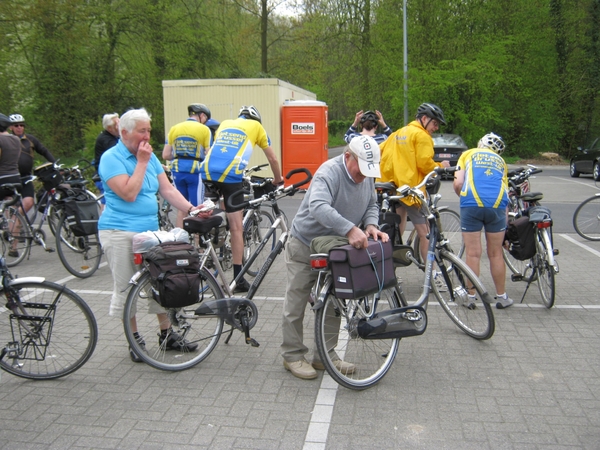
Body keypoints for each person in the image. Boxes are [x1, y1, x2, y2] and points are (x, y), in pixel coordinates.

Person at [98, 108, 207, 362]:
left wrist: (192, 209)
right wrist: (142, 162)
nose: (147, 136)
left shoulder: (149, 157)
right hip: (120, 230)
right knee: (127, 286)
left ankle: (167, 334)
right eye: (142, 131)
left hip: (149, 231)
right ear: (124, 133)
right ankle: (133, 339)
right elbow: (128, 193)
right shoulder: (111, 158)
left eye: (149, 130)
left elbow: (167, 189)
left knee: (162, 280)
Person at [281, 135, 389, 380]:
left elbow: (372, 203)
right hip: (305, 244)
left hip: (337, 247)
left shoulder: (367, 174)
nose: (363, 176)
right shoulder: (328, 172)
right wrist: (351, 229)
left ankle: (325, 355)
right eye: (360, 170)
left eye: (367, 172)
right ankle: (292, 355)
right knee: (296, 301)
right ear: (347, 156)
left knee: (335, 300)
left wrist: (371, 224)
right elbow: (318, 205)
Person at [200, 105, 283, 293]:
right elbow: (273, 158)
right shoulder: (257, 127)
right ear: (256, 119)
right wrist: (278, 179)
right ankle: (238, 279)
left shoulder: (225, 124)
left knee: (211, 211)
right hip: (230, 175)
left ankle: (208, 252)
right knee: (237, 227)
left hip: (206, 172)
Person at [378, 103, 451, 261]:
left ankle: (392, 265)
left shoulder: (398, 133)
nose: (436, 128)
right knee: (426, 232)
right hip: (410, 190)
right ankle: (430, 277)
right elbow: (425, 164)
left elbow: (379, 150)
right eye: (434, 123)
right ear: (424, 119)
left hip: (392, 187)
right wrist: (441, 166)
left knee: (398, 225)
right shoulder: (421, 135)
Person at [453, 132, 513, 310]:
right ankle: (501, 297)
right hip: (498, 205)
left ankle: (471, 298)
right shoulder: (501, 162)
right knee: (495, 253)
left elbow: (458, 183)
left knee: (473, 253)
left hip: (471, 203)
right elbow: (505, 190)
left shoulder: (467, 154)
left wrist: (464, 199)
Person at [162, 103, 212, 228]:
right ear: (202, 115)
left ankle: (180, 239)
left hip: (177, 171)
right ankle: (197, 244)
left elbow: (166, 155)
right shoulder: (204, 130)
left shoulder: (174, 128)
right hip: (195, 172)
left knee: (181, 207)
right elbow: (208, 155)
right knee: (197, 209)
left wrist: (180, 155)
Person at [9, 114, 56, 215]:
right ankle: (13, 226)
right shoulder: (7, 140)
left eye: (21, 125)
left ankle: (16, 220)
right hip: (12, 176)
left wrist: (54, 164)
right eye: (16, 125)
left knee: (29, 202)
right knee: (11, 204)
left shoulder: (30, 139)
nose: (19, 127)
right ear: (10, 127)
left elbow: (44, 151)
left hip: (26, 177)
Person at [94, 113, 120, 210]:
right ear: (110, 128)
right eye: (117, 125)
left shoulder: (115, 137)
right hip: (103, 175)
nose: (120, 127)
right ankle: (104, 222)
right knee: (107, 199)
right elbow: (119, 151)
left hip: (111, 172)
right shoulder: (105, 139)